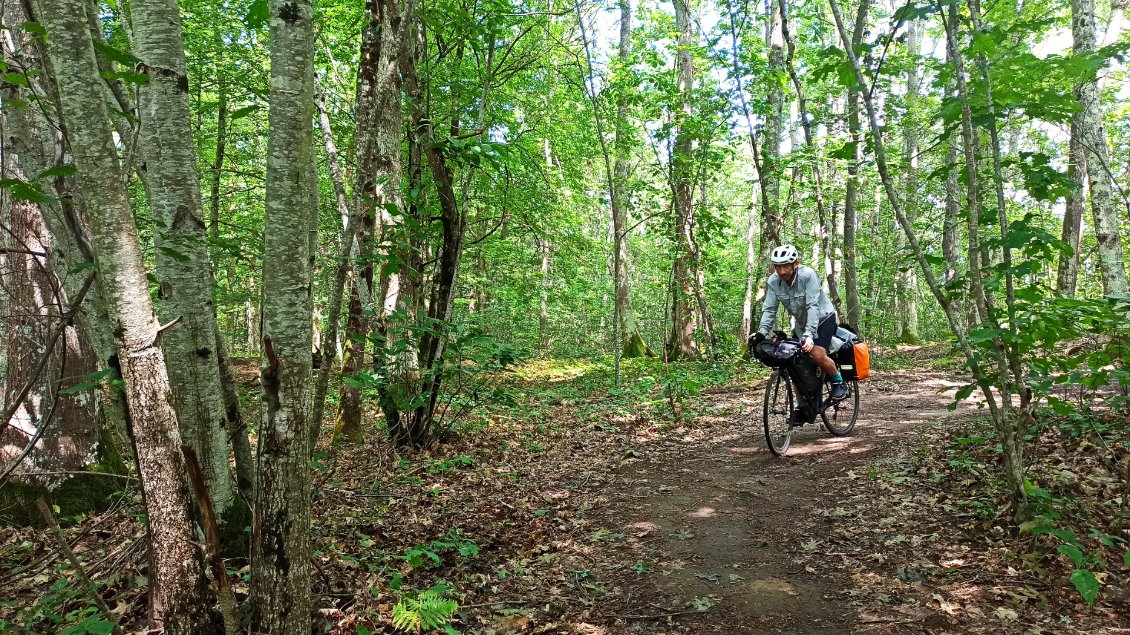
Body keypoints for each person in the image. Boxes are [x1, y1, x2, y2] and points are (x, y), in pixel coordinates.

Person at [750, 244, 848, 406]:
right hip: (802, 323)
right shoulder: (774, 281)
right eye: (778, 267)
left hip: (823, 318)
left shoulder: (808, 276)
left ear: (795, 264)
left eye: (785, 266)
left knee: (816, 354)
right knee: (793, 362)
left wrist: (809, 335)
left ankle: (839, 382)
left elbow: (813, 306)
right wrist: (761, 333)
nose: (782, 271)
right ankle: (801, 403)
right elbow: (769, 309)